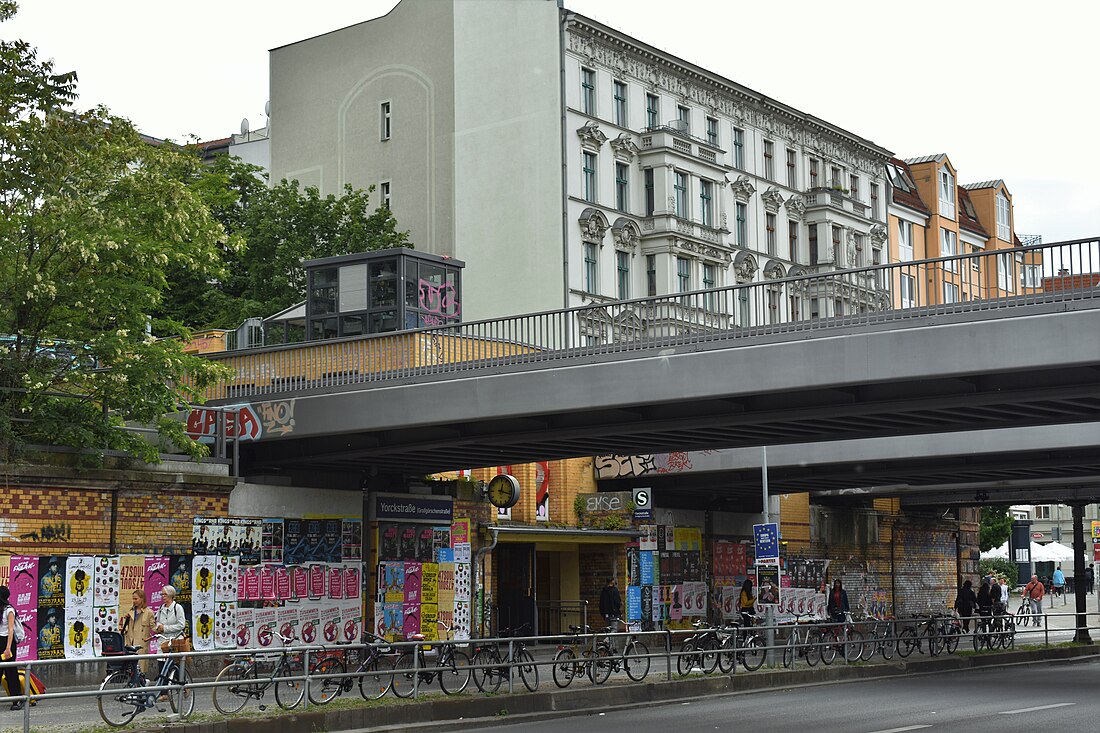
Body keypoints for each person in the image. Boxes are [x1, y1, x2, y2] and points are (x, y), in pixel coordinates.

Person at [153, 585, 187, 701]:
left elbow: (181, 625)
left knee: (174, 665)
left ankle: (185, 685)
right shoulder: (161, 608)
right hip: (162, 640)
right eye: (162, 594)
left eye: (165, 594)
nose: (162, 597)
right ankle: (164, 693)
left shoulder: (178, 608)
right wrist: (157, 628)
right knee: (161, 666)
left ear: (171, 595)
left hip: (174, 640)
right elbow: (157, 622)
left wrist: (165, 628)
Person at [121, 590, 156, 675]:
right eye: (133, 599)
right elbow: (125, 628)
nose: (134, 601)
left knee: (141, 669)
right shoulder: (131, 611)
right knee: (131, 669)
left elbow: (153, 627)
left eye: (136, 599)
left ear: (142, 599)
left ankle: (141, 685)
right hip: (130, 643)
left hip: (141, 644)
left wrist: (161, 629)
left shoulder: (149, 612)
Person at [0, 587, 23, 710]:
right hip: (0, 640)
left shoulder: (9, 610)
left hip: (8, 642)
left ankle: (17, 699)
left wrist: (8, 648)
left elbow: (10, 630)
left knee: (10, 671)